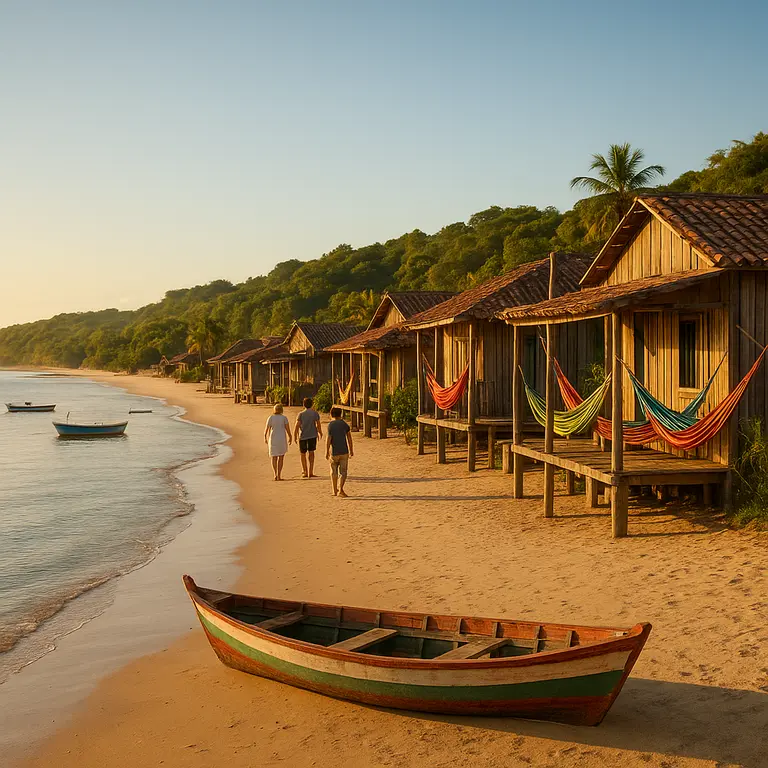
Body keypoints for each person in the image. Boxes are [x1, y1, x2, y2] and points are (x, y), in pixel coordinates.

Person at [325, 406, 353, 497]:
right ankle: (341, 489)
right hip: (344, 451)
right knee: (343, 472)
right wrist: (351, 449)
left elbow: (328, 439)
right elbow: (349, 437)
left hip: (334, 452)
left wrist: (326, 451)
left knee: (333, 471)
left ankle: (334, 490)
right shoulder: (344, 424)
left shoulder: (330, 425)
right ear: (340, 414)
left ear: (331, 414)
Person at [293, 397, 323, 478]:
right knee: (311, 453)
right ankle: (311, 471)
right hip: (313, 435)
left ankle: (304, 471)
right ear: (312, 404)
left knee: (303, 454)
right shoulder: (315, 413)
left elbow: (297, 426)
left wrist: (295, 435)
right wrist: (320, 432)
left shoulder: (301, 414)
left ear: (303, 404)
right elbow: (318, 424)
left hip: (303, 436)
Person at [264, 403, 292, 480]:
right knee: (281, 457)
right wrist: (290, 436)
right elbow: (287, 429)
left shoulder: (271, 418)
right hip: (282, 439)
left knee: (274, 457)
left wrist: (265, 437)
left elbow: (266, 429)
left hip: (273, 439)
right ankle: (279, 474)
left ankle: (275, 474)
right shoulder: (284, 418)